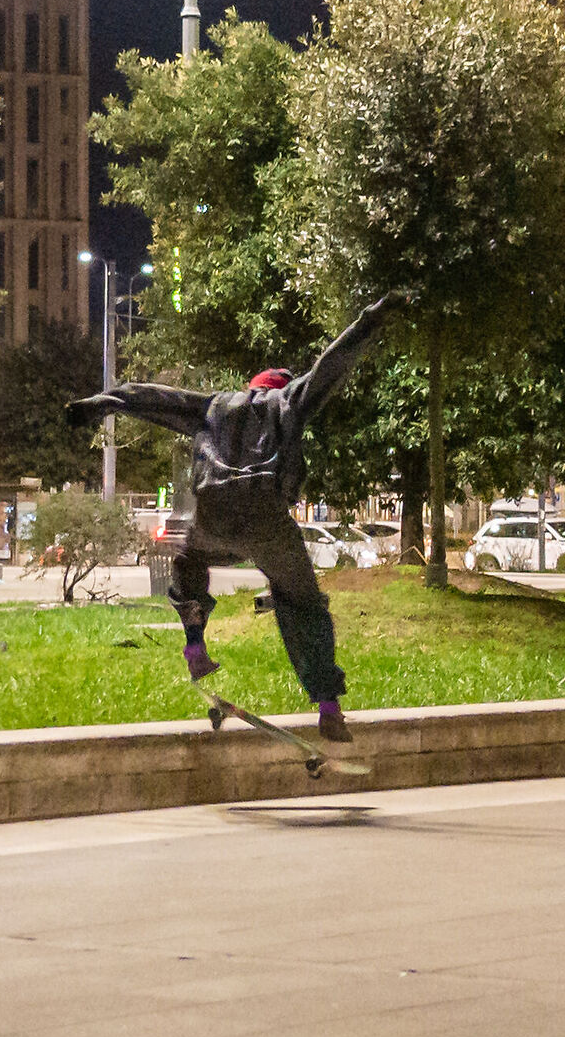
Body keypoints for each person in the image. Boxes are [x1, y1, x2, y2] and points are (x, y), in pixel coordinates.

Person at [68, 298, 394, 745]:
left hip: (215, 512)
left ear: (250, 387)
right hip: (265, 516)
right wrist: (371, 320)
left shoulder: (215, 405)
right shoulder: (288, 402)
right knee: (303, 603)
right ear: (280, 387)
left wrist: (102, 402)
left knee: (188, 563)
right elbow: (330, 366)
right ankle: (329, 706)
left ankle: (195, 642)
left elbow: (155, 398)